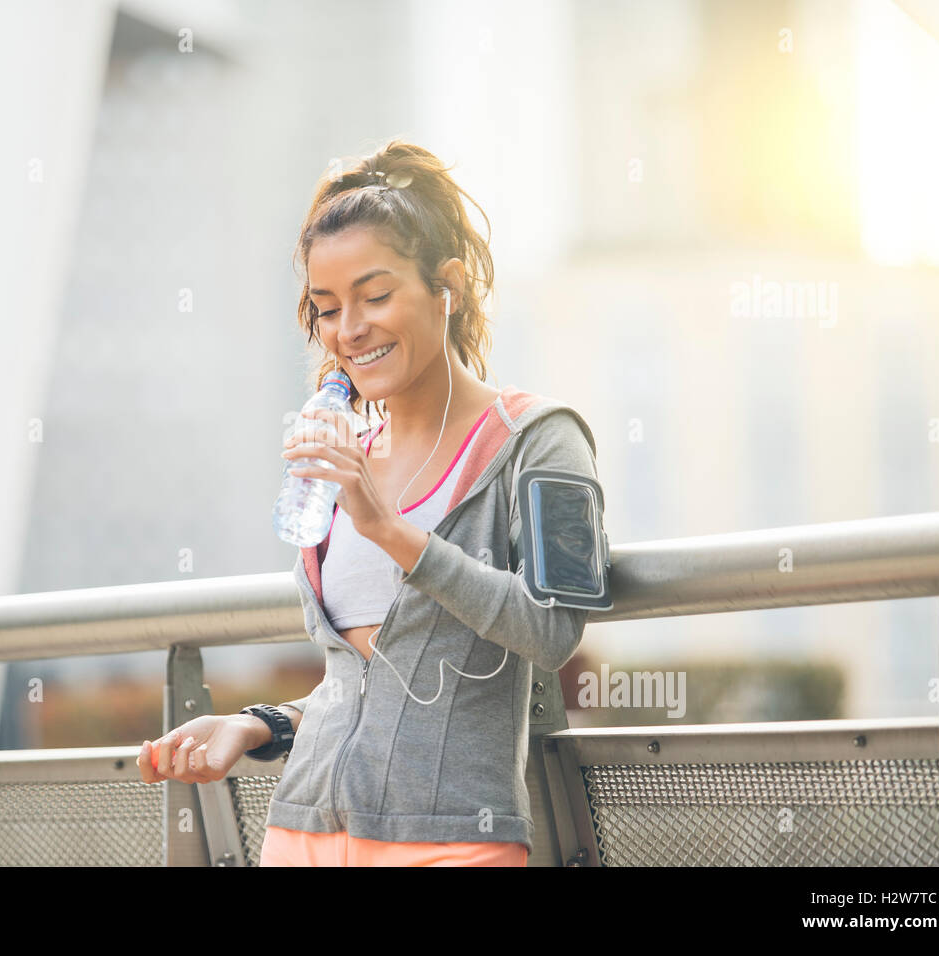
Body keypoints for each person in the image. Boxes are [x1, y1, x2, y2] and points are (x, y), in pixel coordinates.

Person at [138, 139, 602, 867]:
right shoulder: (340, 456)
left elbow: (550, 631)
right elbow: (361, 681)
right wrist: (255, 726)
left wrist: (389, 530)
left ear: (445, 287)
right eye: (327, 308)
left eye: (375, 296)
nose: (349, 329)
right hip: (300, 833)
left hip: (451, 842)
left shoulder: (543, 440)